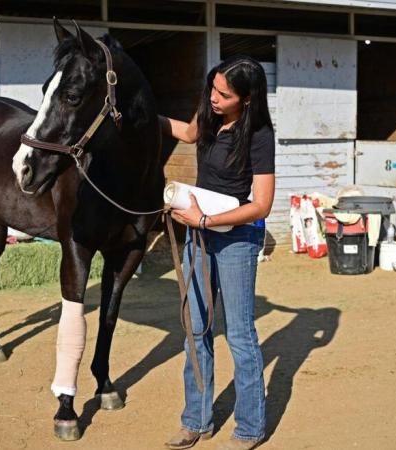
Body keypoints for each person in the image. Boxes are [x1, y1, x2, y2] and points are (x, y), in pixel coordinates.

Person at [159, 56, 276, 450]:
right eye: (212, 88)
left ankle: (249, 428)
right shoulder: (209, 115)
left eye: (223, 94)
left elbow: (261, 205)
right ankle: (196, 420)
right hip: (199, 233)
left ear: (246, 99)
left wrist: (205, 221)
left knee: (240, 334)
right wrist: (144, 118)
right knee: (196, 329)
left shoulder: (258, 134)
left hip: (236, 239)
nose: (213, 97)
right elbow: (189, 133)